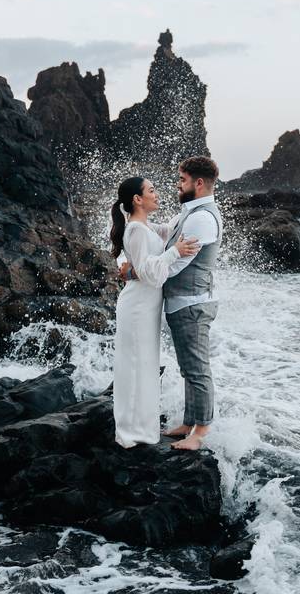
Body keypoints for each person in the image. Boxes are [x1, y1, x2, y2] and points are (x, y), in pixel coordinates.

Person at [121, 156, 223, 451]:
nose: (178, 185)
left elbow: (176, 266)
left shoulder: (202, 218)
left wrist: (133, 271)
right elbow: (167, 233)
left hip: (192, 303)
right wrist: (136, 226)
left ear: (198, 183)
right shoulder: (188, 214)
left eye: (182, 180)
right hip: (183, 303)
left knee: (197, 369)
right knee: (188, 368)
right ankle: (189, 422)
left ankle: (200, 432)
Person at [110, 176, 200, 448]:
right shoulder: (136, 230)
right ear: (137, 199)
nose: (157, 194)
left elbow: (171, 228)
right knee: (135, 366)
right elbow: (149, 273)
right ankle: (130, 433)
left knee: (145, 366)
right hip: (137, 307)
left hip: (146, 308)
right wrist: (174, 252)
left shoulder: (146, 227)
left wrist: (194, 203)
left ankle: (142, 429)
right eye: (151, 190)